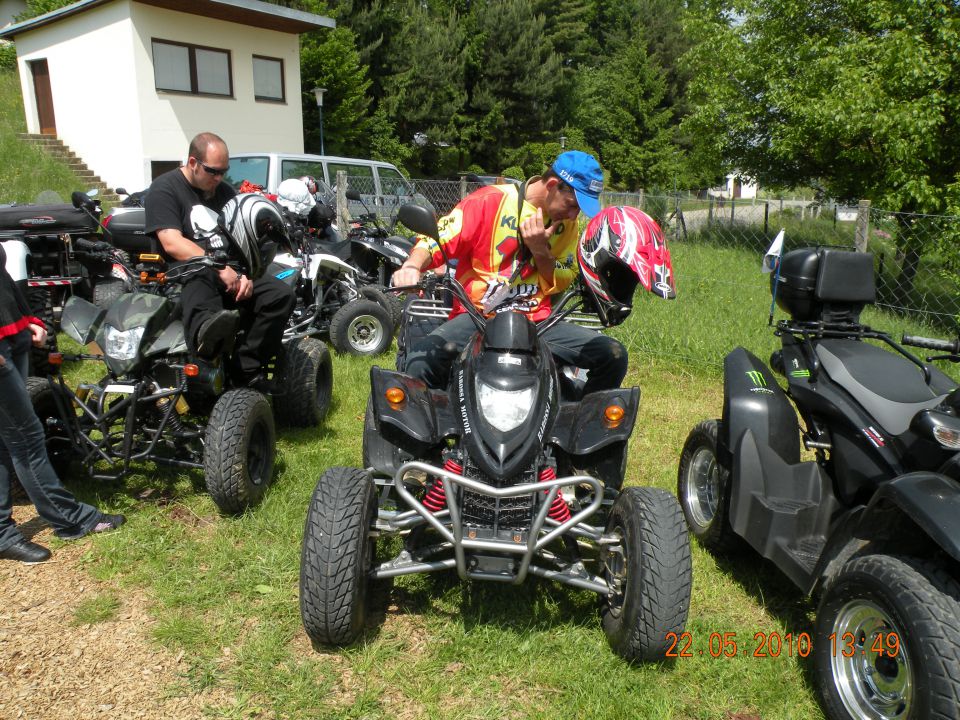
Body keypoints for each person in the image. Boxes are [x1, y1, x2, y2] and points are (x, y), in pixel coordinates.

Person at [392, 150, 628, 394]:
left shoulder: (567, 224)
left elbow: (561, 279)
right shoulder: (488, 201)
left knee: (613, 356)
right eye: (572, 205)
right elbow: (438, 239)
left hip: (537, 323)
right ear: (553, 185)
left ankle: (576, 425)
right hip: (478, 318)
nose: (573, 215)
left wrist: (540, 251)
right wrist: (412, 265)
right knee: (418, 364)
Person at [0, 245, 124, 564]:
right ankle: (70, 518)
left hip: (12, 335)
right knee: (27, 438)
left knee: (5, 439)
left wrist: (24, 317)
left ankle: (1, 531)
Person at [144, 132, 294, 388]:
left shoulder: (223, 192)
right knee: (200, 274)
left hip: (230, 272)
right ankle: (207, 344)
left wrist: (246, 273)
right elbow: (172, 242)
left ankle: (245, 369)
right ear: (193, 162)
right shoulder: (165, 188)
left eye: (224, 171)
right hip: (186, 273)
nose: (219, 178)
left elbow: (240, 238)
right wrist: (217, 267)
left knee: (280, 295)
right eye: (213, 171)